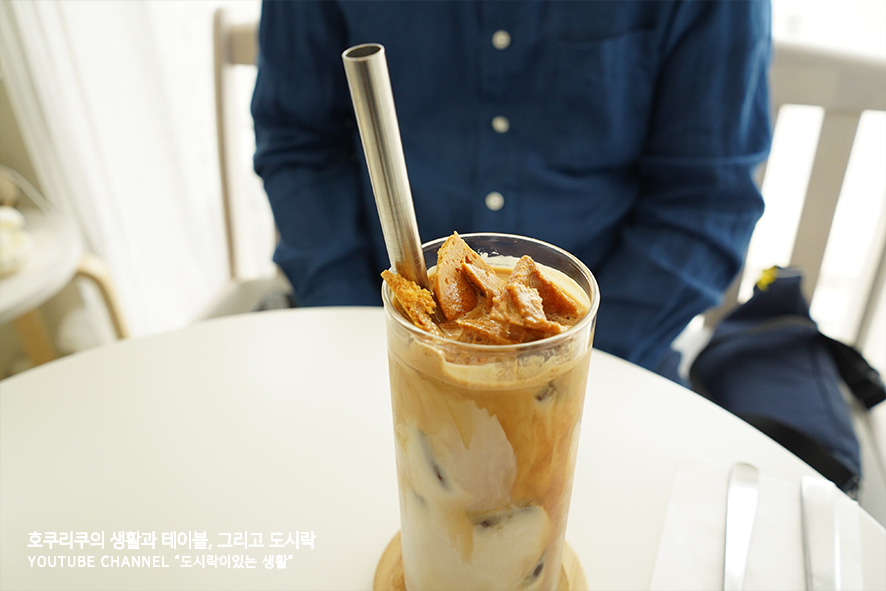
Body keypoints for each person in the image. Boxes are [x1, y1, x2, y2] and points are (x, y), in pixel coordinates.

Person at [251, 1, 772, 381]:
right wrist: (363, 329)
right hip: (372, 339)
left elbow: (707, 200)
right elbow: (299, 145)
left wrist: (576, 358)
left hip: (610, 359)